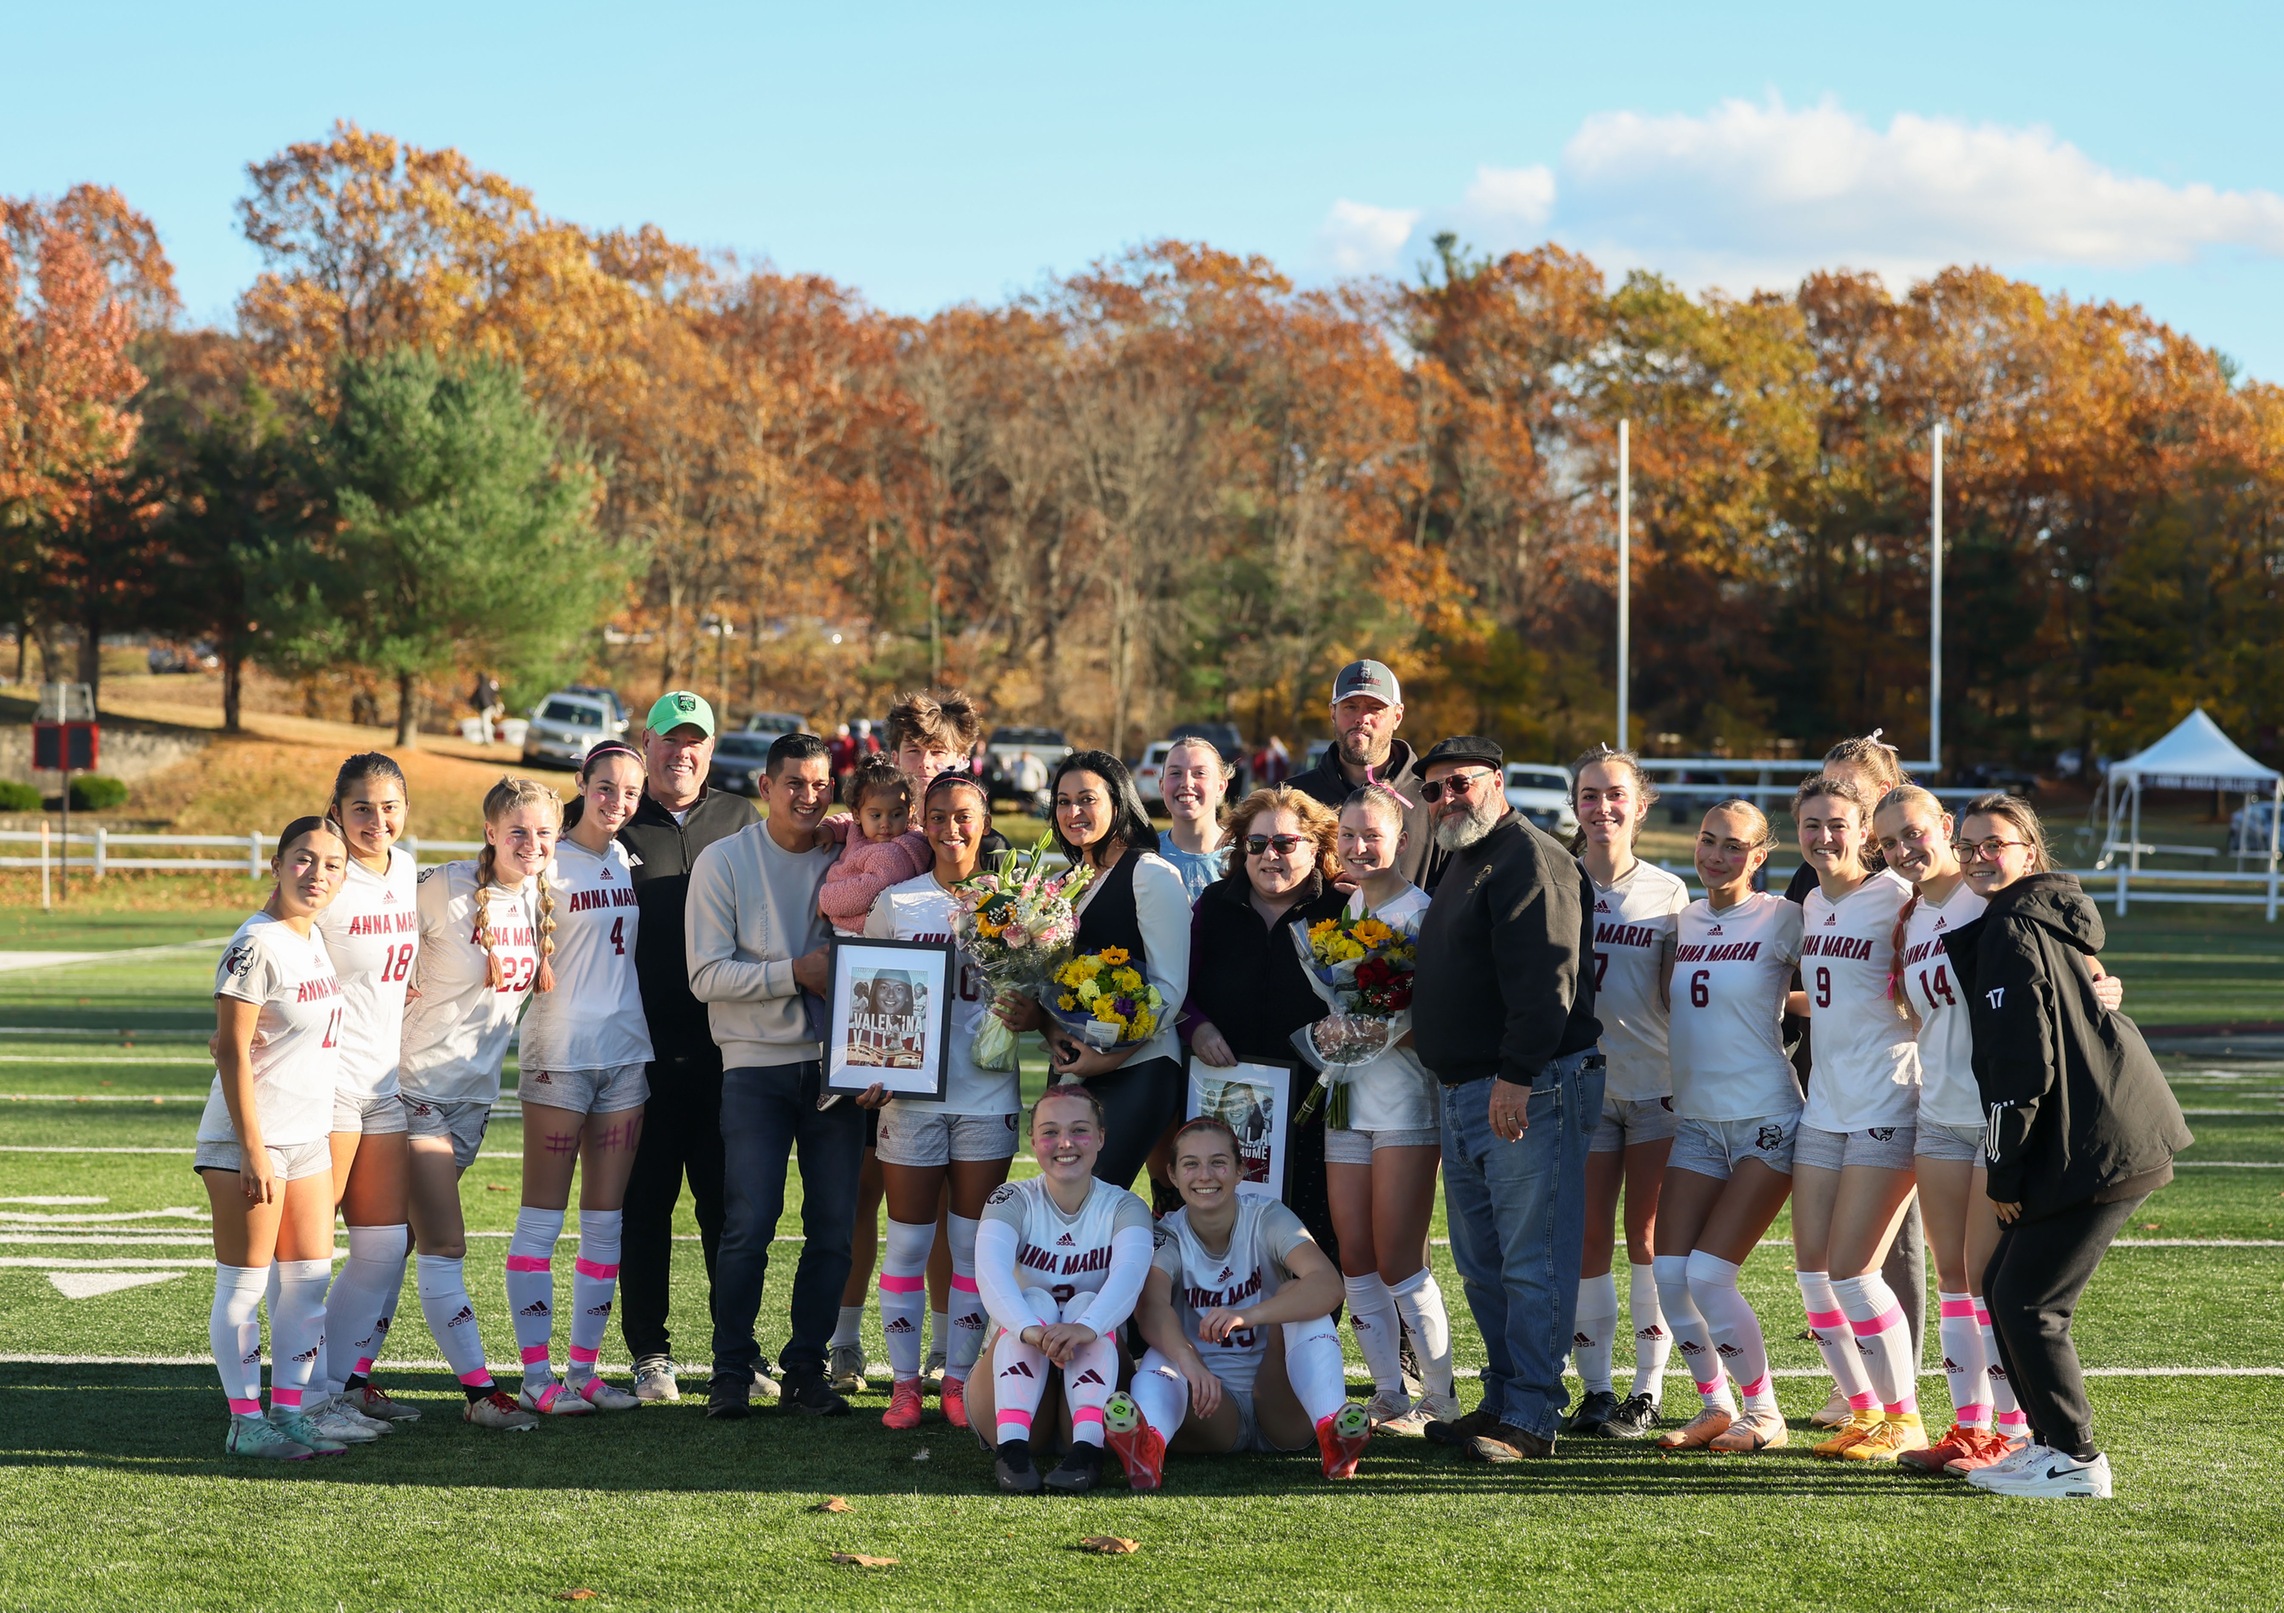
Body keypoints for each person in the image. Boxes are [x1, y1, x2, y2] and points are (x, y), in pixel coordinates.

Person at [1943, 794, 2191, 1499]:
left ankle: (2078, 1458)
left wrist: (2003, 1170)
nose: (1978, 856)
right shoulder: (2026, 917)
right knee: (2002, 1285)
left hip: (2104, 1139)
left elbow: (2023, 1069)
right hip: (2089, 1131)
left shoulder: (2014, 927)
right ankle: (2047, 1442)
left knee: (2028, 1300)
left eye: (1994, 843)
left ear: (2029, 850)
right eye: (1967, 846)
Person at [1410, 735, 1603, 1462]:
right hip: (1467, 1088)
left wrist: (1517, 1074)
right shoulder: (1466, 858)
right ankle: (1499, 1399)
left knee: (1532, 1260)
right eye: (1432, 790)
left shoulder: (1531, 856)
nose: (1445, 799)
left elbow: (1547, 983)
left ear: (1496, 781)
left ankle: (1531, 1416)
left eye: (1458, 784)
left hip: (1528, 1083)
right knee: (1483, 1263)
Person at [830, 686, 1001, 1398]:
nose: (926, 763)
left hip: (978, 1081)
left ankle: (949, 1359)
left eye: (940, 753)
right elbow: (861, 961)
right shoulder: (875, 842)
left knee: (961, 1234)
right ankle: (848, 1342)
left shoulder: (1006, 879)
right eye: (914, 751)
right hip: (893, 1068)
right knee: (867, 1201)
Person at [686, 729, 857, 1419]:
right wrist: (795, 973)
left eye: (821, 784)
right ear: (765, 786)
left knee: (834, 1228)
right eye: (795, 783)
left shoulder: (848, 856)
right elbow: (705, 975)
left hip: (836, 1071)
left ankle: (806, 1370)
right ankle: (731, 1370)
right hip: (753, 1068)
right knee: (748, 1222)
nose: (809, 796)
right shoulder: (725, 861)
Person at [858, 772, 1020, 1434]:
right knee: (907, 1241)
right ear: (921, 820)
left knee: (970, 1244)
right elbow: (865, 994)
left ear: (983, 821)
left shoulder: (1013, 904)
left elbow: (1033, 1000)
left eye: (964, 816)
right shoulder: (898, 902)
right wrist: (865, 1066)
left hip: (986, 1095)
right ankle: (904, 1386)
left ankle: (955, 1380)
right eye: (939, 816)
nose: (952, 828)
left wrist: (1025, 1006)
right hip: (911, 1101)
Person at [396, 776, 559, 1431]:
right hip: (416, 1091)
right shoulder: (441, 887)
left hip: (472, 1101)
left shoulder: (540, 896)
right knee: (444, 1242)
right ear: (490, 831)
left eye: (544, 831)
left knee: (395, 1245)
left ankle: (341, 1381)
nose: (531, 842)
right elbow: (370, 944)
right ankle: (479, 1391)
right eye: (517, 830)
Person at [197, 816, 358, 1459]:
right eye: (303, 859)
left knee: (309, 1280)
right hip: (250, 1141)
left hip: (308, 1137)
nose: (317, 874)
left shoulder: (310, 936)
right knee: (245, 1284)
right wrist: (254, 1151)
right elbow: (232, 1052)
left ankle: (289, 1411)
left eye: (332, 864)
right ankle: (245, 1420)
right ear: (276, 863)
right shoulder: (255, 943)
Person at [615, 691, 759, 1405]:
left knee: (727, 1208)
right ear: (647, 744)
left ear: (710, 747)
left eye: (694, 739)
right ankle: (650, 1351)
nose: (682, 752)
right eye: (670, 739)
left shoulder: (740, 818)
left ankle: (737, 1350)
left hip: (727, 1050)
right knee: (645, 1205)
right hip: (638, 1052)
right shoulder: (617, 820)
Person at [503, 742, 654, 1415]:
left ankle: (585, 1371)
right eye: (604, 787)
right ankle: (537, 1378)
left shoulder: (625, 857)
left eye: (628, 790)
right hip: (559, 1058)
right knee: (541, 1218)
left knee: (605, 1223)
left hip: (626, 1056)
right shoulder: (546, 861)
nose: (616, 801)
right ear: (581, 785)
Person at [1650, 800, 1801, 1454]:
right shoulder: (1681, 920)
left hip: (1767, 1117)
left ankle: (1764, 1410)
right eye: (1707, 840)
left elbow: (1847, 976)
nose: (1716, 855)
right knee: (1669, 1273)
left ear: (1760, 856)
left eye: (1733, 845)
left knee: (1710, 1275)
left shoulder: (1783, 916)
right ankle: (1715, 1403)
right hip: (1698, 1122)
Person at [1108, 1115, 1373, 1487]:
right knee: (1162, 1352)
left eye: (1218, 1162)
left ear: (1240, 1170)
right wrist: (1191, 1362)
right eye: (1190, 1164)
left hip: (1283, 1401)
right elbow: (1150, 1308)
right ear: (1171, 1173)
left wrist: (1248, 1315)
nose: (1205, 1175)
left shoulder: (1266, 1215)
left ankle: (1332, 1432)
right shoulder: (1167, 1232)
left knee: (1299, 1302)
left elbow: (1329, 1286)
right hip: (1210, 1408)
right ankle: (1149, 1446)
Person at [1786, 732, 1927, 1419]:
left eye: (1836, 824)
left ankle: (1904, 1415)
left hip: (1887, 1100)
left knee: (1855, 1269)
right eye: (1810, 825)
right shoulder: (1811, 903)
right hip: (1825, 1103)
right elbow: (1834, 992)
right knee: (1812, 1270)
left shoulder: (1900, 894)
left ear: (1866, 828)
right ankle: (1861, 1403)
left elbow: (1942, 977)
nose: (1822, 836)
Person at [1321, 785, 1457, 1434]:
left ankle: (1442, 1397)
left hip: (1405, 1101)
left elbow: (1438, 1020)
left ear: (1402, 839)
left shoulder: (1425, 914)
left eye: (1371, 835)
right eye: (1348, 835)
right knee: (1356, 1257)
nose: (1358, 847)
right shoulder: (1342, 908)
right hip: (1347, 1098)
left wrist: (1382, 1029)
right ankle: (1388, 1393)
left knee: (1400, 1256)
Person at [1563, 746, 1688, 1440]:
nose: (1602, 807)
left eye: (1616, 794)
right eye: (1589, 794)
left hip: (1654, 1086)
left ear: (1641, 804)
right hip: (1581, 1083)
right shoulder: (1555, 875)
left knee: (1647, 1236)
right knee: (1586, 1238)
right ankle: (1597, 1388)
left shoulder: (1667, 891)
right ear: (1574, 804)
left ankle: (1647, 1387)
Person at [1001, 751, 1189, 1196]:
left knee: (1098, 1194)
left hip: (1140, 1065)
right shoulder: (1064, 883)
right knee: (1066, 1200)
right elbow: (1054, 988)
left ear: (1118, 803)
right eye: (1062, 802)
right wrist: (1046, 1029)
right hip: (1071, 1066)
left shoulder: (1150, 874)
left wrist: (1109, 1058)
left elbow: (1170, 989)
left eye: (1087, 799)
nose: (1073, 812)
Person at [964, 1086, 1155, 1494]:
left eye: (1080, 1130)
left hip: (1090, 1381)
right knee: (1033, 1302)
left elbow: (1129, 1280)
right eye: (1050, 1132)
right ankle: (1012, 1449)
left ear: (1102, 1138)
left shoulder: (1126, 1206)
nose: (1065, 1143)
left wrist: (1085, 1327)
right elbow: (990, 1276)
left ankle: (1086, 1452)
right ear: (1032, 1141)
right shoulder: (1012, 1199)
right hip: (1012, 1377)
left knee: (1088, 1303)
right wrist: (1032, 1331)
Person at [1183, 786, 1350, 1254]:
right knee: (1224, 1235)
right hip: (1222, 1100)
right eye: (1256, 844)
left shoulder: (1341, 908)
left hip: (1317, 1108)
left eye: (1285, 844)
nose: (1269, 856)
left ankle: (1310, 1329)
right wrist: (1195, 1026)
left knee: (1314, 1236)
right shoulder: (1215, 904)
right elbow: (1175, 990)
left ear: (1316, 846)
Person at [308, 753, 421, 1431]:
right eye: (361, 808)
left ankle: (343, 1385)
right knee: (309, 1251)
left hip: (386, 1082)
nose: (377, 821)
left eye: (390, 806)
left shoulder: (408, 870)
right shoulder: (323, 868)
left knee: (382, 1245)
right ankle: (306, 1397)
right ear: (337, 808)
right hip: (325, 1083)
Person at [1285, 660, 1441, 889]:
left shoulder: (1432, 798)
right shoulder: (1293, 798)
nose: (1362, 718)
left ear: (1397, 716)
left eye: (1375, 708)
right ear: (1332, 713)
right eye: (1350, 706)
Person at [819, 759, 930, 935]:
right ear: (858, 814)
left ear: (910, 812)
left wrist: (826, 899)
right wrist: (831, 829)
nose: (885, 823)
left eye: (896, 814)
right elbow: (847, 822)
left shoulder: (894, 854)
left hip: (864, 932)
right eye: (876, 815)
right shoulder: (861, 829)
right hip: (847, 924)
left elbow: (866, 891)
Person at [1156, 735, 1234, 901]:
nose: (1186, 783)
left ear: (1221, 786)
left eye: (1200, 773)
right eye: (1175, 773)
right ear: (1162, 786)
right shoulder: (1146, 856)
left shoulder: (1244, 855)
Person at [470, 673, 503, 742]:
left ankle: (488, 740)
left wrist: (472, 704)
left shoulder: (482, 687)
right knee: (487, 723)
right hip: (490, 707)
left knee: (486, 724)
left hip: (486, 707)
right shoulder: (488, 686)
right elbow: (495, 695)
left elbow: (479, 698)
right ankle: (487, 739)